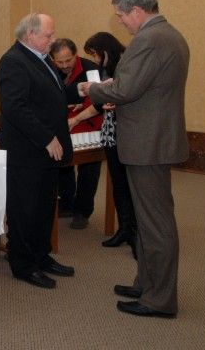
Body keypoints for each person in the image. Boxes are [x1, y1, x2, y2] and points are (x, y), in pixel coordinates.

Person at [81, 0, 189, 318]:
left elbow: (127, 88)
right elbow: (144, 87)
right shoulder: (170, 35)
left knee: (155, 221)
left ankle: (159, 299)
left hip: (148, 142)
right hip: (154, 138)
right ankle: (147, 282)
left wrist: (95, 89)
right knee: (147, 217)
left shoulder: (148, 39)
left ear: (137, 11)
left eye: (121, 15)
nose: (121, 22)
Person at [0, 13, 75, 289]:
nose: (52, 40)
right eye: (48, 35)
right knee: (24, 210)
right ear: (30, 34)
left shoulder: (41, 59)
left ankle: (41, 256)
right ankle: (23, 264)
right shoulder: (13, 62)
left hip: (45, 152)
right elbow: (15, 108)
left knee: (43, 207)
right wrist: (46, 138)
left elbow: (51, 99)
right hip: (27, 152)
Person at [72, 32, 137, 254]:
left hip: (128, 132)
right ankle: (125, 229)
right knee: (118, 182)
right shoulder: (108, 68)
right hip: (111, 132)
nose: (97, 60)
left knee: (130, 184)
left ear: (106, 51)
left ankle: (135, 230)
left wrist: (79, 117)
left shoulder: (127, 63)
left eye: (97, 55)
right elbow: (101, 102)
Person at [50, 38, 104, 229]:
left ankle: (82, 210)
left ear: (76, 55)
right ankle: (65, 204)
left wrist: (77, 115)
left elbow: (97, 102)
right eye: (60, 62)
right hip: (61, 124)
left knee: (89, 169)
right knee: (62, 165)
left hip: (88, 124)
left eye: (68, 61)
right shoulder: (48, 69)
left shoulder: (90, 69)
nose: (64, 66)